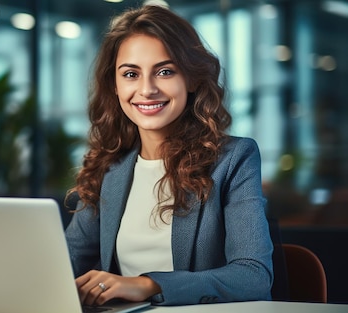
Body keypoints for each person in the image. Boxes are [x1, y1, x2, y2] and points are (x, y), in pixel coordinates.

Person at [64, 4, 274, 306]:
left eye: (164, 71)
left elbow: (253, 275)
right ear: (115, 85)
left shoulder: (233, 159)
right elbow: (69, 261)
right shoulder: (108, 166)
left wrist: (148, 285)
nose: (146, 89)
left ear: (191, 79)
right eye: (131, 74)